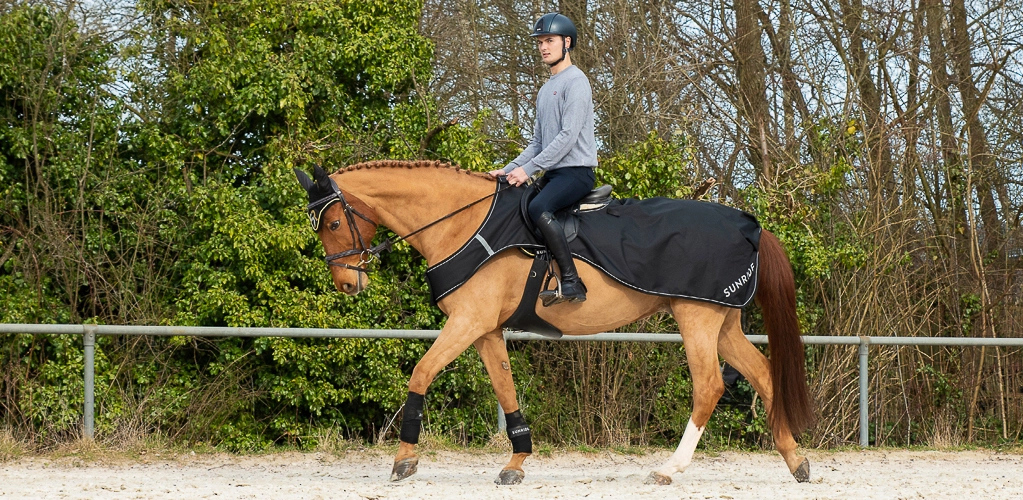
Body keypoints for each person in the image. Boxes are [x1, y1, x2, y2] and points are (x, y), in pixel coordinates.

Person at [489, 12, 598, 306]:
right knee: (518, 203)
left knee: (538, 206)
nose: (543, 47)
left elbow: (567, 137)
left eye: (549, 40)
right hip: (554, 173)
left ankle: (573, 282)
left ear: (567, 42)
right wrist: (509, 169)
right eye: (540, 42)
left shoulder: (577, 82)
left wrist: (529, 170)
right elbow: (538, 143)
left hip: (576, 172)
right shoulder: (544, 90)